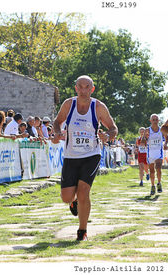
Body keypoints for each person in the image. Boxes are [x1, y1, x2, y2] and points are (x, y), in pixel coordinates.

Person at [52, 75, 118, 241]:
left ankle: (82, 231)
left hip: (91, 155)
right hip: (71, 155)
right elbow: (57, 121)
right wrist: (57, 133)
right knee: (66, 197)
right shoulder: (69, 104)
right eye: (80, 87)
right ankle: (73, 202)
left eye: (86, 87)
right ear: (76, 88)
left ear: (92, 89)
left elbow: (113, 128)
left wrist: (108, 136)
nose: (83, 90)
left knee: (83, 192)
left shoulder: (98, 107)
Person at [144, 114, 168, 196]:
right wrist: (145, 138)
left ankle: (159, 183)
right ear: (150, 121)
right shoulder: (147, 130)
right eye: (153, 119)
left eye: (156, 119)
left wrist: (165, 143)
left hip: (159, 152)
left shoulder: (161, 130)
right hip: (150, 152)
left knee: (158, 168)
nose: (155, 121)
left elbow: (167, 137)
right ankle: (152, 186)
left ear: (158, 121)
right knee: (152, 171)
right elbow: (143, 142)